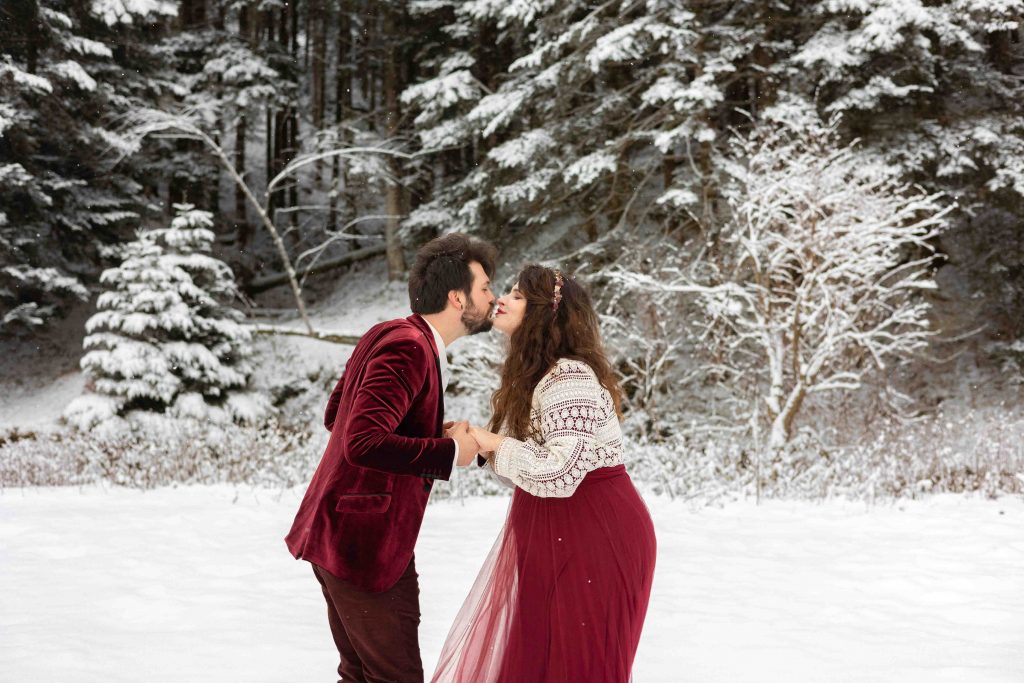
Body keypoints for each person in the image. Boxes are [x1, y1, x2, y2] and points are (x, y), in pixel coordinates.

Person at [285, 233, 497, 683]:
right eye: (485, 287)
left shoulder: (389, 332)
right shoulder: (409, 347)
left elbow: (337, 416)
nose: (493, 297)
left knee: (360, 675)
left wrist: (428, 432)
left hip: (340, 537)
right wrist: (450, 452)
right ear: (457, 298)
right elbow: (362, 441)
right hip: (363, 548)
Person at [432, 265, 657, 682]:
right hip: (551, 531)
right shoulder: (534, 375)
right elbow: (531, 467)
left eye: (517, 295)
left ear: (544, 313)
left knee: (575, 660)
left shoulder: (569, 377)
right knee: (541, 654)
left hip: (594, 532)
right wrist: (478, 446)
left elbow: (561, 472)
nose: (502, 299)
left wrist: (491, 441)